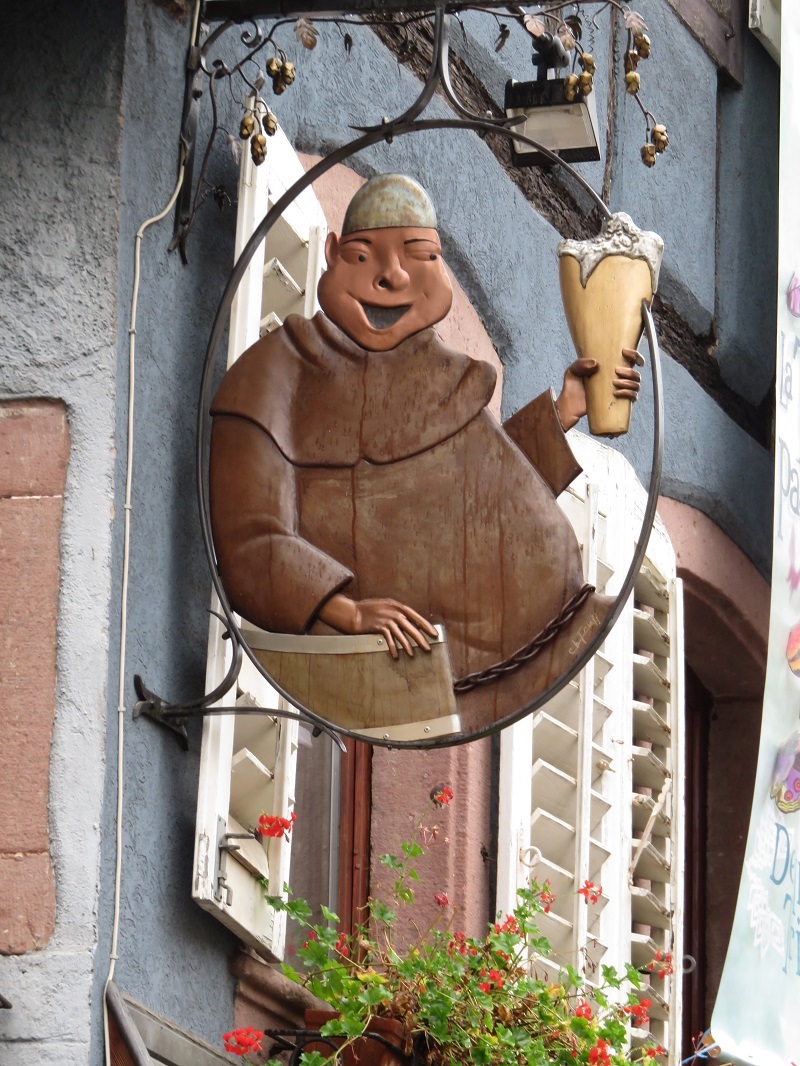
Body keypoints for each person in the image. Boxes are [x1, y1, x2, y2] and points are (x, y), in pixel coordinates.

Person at [209, 174, 642, 733]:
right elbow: (251, 543)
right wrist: (350, 611)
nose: (392, 277)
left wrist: (565, 411)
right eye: (366, 257)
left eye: (421, 257)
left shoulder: (435, 369)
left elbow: (479, 491)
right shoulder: (274, 375)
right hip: (387, 662)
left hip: (521, 650)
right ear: (334, 255)